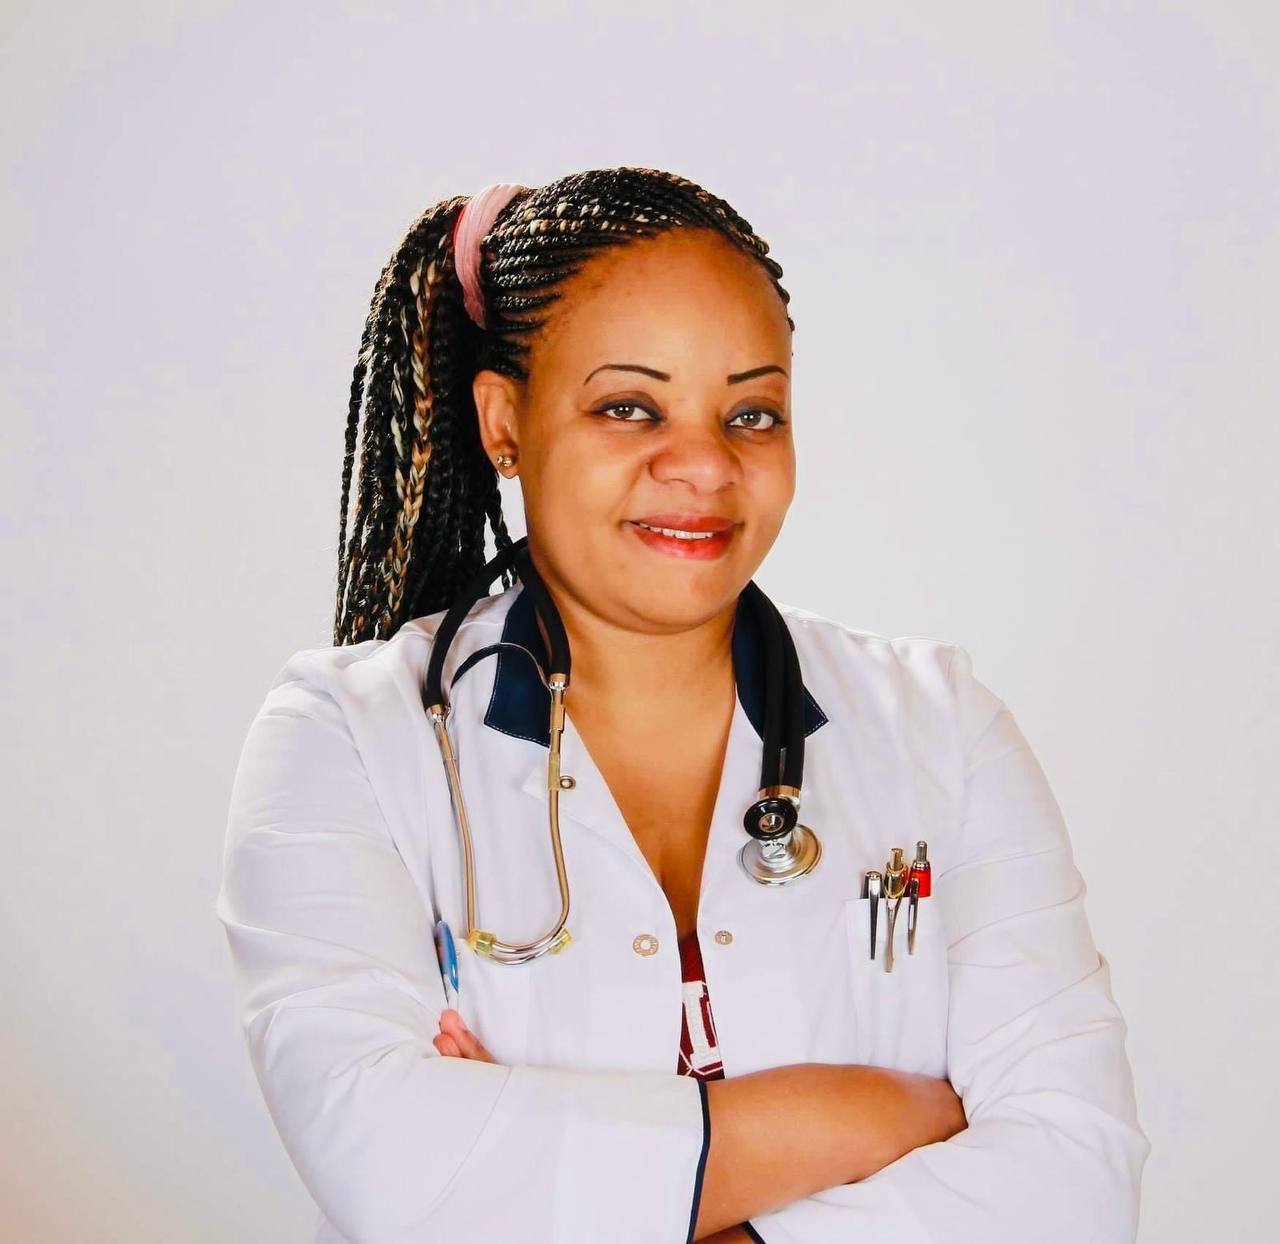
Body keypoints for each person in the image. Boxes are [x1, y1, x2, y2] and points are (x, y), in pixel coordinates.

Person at [215, 167, 1149, 1244]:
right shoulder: (344, 737)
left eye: (751, 413)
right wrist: (868, 1116)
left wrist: (552, 1168)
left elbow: (1074, 1184)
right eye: (628, 407)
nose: (704, 464)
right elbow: (396, 1170)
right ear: (504, 421)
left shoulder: (941, 727)